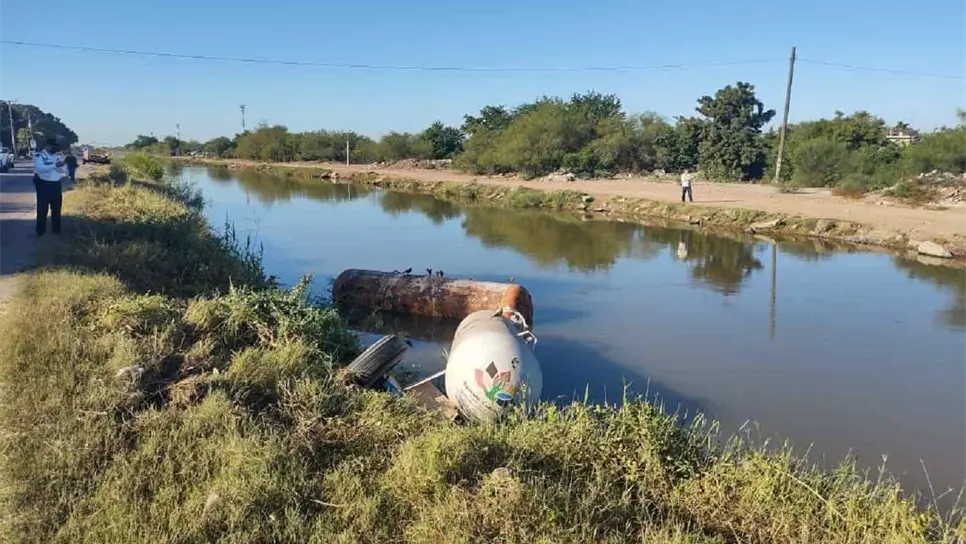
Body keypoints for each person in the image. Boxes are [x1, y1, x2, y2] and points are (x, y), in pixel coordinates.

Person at [33, 138, 67, 236]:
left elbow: (63, 170)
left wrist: (60, 166)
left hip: (56, 185)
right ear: (47, 146)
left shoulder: (57, 156)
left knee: (56, 210)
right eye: (53, 147)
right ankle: (40, 233)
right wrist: (54, 166)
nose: (55, 149)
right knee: (42, 210)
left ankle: (56, 232)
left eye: (56, 147)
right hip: (44, 186)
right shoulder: (40, 156)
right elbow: (40, 169)